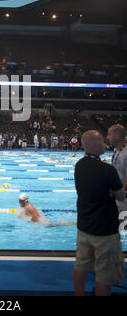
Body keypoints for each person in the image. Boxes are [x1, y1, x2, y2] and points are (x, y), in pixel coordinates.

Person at [73, 130, 125, 296]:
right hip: (104, 230)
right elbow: (120, 195)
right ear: (96, 146)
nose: (105, 144)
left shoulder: (79, 166)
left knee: (80, 265)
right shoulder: (107, 169)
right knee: (105, 274)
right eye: (102, 142)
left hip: (84, 226)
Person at [107, 124, 127, 212]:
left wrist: (114, 190)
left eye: (109, 134)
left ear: (117, 136)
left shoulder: (125, 154)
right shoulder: (118, 151)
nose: (107, 137)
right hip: (118, 201)